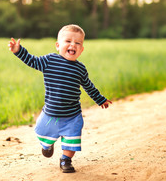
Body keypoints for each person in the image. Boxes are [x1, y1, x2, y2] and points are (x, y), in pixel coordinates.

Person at [8, 24, 112, 173]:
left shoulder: (80, 69)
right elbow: (32, 61)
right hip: (51, 113)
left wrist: (100, 99)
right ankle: (47, 144)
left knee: (72, 139)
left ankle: (66, 160)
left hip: (72, 115)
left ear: (81, 49)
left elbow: (88, 86)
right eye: (68, 41)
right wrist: (19, 51)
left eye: (78, 43)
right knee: (41, 131)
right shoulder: (49, 60)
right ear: (58, 45)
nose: (72, 45)